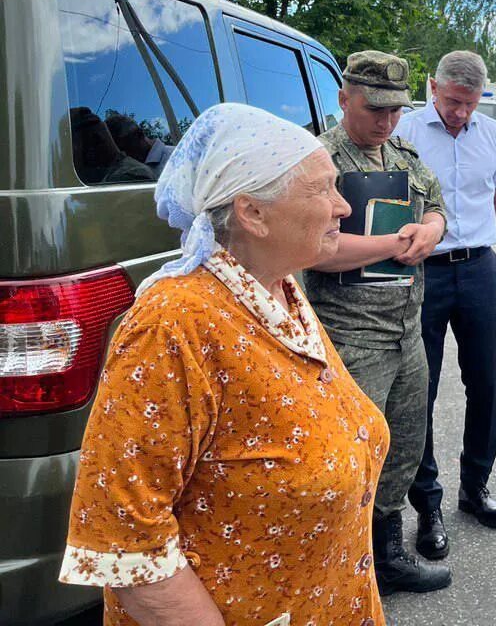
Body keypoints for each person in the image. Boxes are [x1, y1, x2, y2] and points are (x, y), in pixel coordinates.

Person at [59, 103, 392, 625]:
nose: (343, 207)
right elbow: (123, 540)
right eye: (321, 189)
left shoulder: (281, 288)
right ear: (251, 213)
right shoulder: (173, 325)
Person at [303, 51, 452, 596]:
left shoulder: (404, 155)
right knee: (349, 451)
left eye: (395, 112)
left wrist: (431, 229)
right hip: (349, 333)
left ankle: (386, 555)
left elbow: (435, 205)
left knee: (403, 444)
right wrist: (394, 244)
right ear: (344, 99)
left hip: (406, 328)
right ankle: (343, 563)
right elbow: (316, 248)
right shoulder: (318, 160)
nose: (385, 123)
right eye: (374, 111)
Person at [396, 50, 496, 559]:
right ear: (432, 87)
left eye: (470, 104)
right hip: (420, 271)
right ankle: (427, 504)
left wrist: (477, 235)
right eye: (452, 101)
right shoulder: (403, 130)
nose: (461, 113)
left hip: (478, 268)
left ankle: (476, 488)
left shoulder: (493, 136)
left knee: (486, 383)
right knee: (418, 389)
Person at [106, 112, 177, 175]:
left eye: (124, 147)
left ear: (139, 134)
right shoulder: (124, 172)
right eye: (118, 151)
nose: (123, 155)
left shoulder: (175, 159)